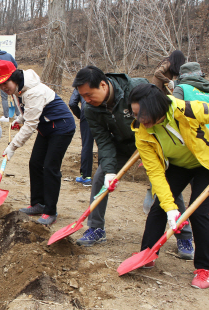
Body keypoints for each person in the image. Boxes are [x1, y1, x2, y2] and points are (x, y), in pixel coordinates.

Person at [71, 66, 193, 259]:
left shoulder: (135, 88)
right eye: (82, 96)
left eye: (89, 94)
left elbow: (160, 111)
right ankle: (96, 228)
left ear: (103, 85)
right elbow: (103, 140)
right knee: (101, 177)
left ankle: (184, 236)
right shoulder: (90, 108)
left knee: (165, 185)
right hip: (122, 146)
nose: (86, 100)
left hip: (151, 141)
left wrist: (152, 143)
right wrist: (110, 170)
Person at [129, 84, 209, 288]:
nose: (140, 121)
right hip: (179, 165)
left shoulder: (189, 110)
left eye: (143, 115)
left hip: (205, 163)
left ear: (157, 109)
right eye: (136, 114)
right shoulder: (142, 132)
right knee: (160, 207)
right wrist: (171, 207)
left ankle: (204, 268)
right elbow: (155, 172)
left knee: (199, 213)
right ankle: (148, 252)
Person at [0, 60, 76, 226]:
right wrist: (20, 119)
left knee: (50, 167)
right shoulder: (18, 90)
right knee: (35, 163)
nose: (3, 87)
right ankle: (38, 203)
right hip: (45, 127)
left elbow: (31, 124)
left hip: (61, 128)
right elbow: (30, 112)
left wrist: (12, 146)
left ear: (14, 78)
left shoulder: (33, 91)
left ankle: (50, 211)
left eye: (4, 82)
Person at [68, 88, 94, 186]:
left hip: (86, 114)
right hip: (102, 113)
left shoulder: (80, 85)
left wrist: (80, 115)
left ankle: (86, 177)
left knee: (87, 145)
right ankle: (104, 176)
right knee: (103, 144)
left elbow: (72, 103)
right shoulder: (99, 82)